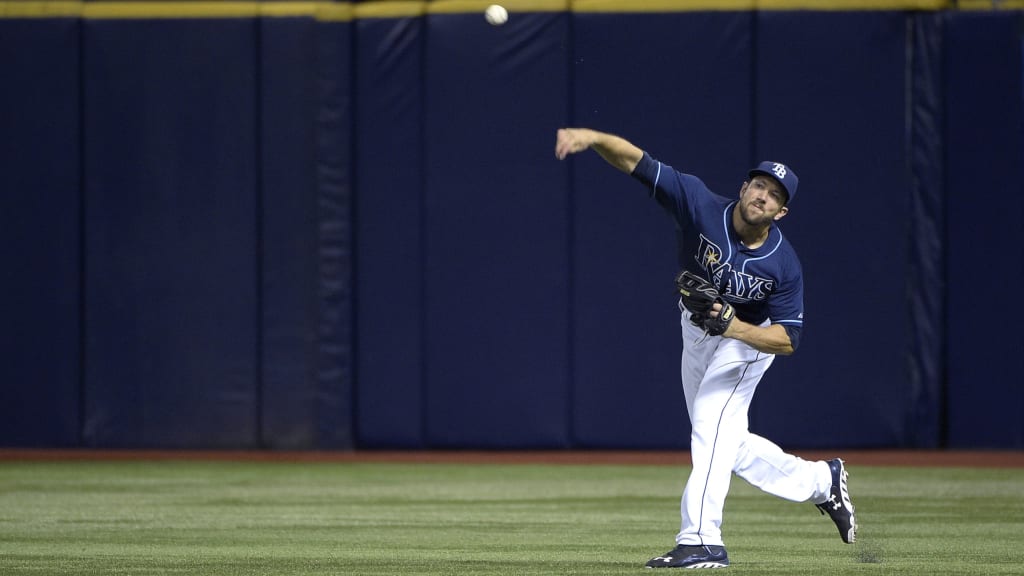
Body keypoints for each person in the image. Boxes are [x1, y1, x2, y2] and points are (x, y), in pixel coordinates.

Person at [554, 128, 856, 569]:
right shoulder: (698, 202)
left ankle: (701, 540)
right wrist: (590, 137)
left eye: (774, 194)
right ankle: (819, 481)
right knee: (721, 441)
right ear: (744, 187)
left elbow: (789, 339)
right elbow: (637, 162)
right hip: (695, 330)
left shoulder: (783, 264)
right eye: (759, 185)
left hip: (750, 342)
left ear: (781, 211)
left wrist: (734, 327)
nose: (763, 196)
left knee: (711, 427)